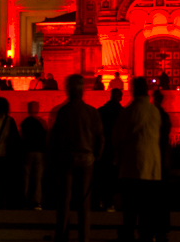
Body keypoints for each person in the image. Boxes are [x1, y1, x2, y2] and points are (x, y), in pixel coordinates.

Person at [48, 74, 103, 242]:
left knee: (64, 200)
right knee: (84, 202)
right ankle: (84, 236)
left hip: (67, 159)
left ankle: (61, 234)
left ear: (68, 90)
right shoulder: (91, 112)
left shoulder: (64, 112)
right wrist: (96, 157)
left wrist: (54, 160)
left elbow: (55, 138)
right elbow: (100, 138)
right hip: (86, 159)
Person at [113, 77, 162, 241]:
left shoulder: (129, 111)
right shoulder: (154, 111)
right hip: (152, 169)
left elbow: (118, 137)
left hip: (132, 167)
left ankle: (128, 235)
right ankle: (147, 236)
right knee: (147, 209)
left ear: (133, 90)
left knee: (130, 209)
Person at [94, 87, 123, 212]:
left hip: (104, 148)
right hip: (116, 149)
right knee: (114, 177)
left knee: (103, 176)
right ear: (120, 97)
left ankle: (102, 201)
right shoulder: (123, 112)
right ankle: (111, 202)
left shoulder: (101, 111)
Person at [151, 90, 172, 241]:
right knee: (162, 196)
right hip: (161, 159)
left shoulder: (153, 115)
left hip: (154, 158)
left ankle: (152, 227)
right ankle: (162, 228)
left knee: (152, 195)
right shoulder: (163, 116)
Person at [20, 101, 47, 210]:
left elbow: (22, 136)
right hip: (39, 151)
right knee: (38, 177)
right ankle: (36, 201)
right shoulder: (42, 122)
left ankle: (24, 198)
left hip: (28, 151)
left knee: (26, 176)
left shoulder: (25, 122)